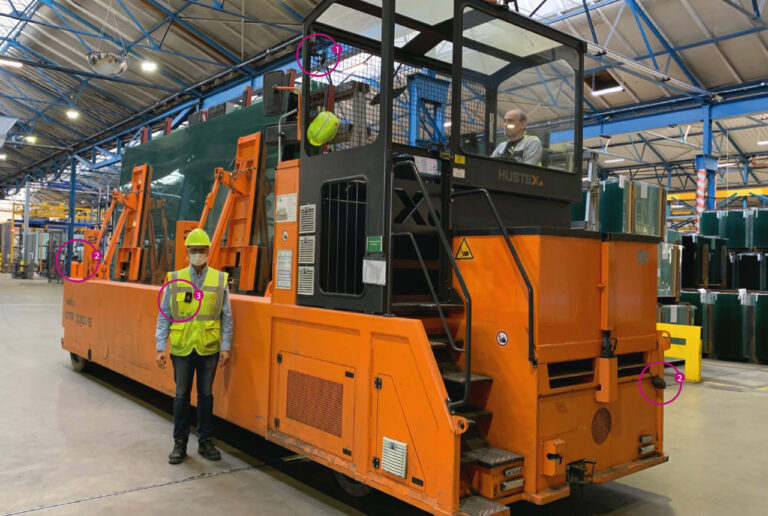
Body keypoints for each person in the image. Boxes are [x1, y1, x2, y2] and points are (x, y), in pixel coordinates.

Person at [155, 228, 233, 465]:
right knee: (180, 396)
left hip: (208, 348)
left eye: (202, 250)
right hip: (181, 349)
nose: (198, 254)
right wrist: (160, 345)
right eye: (194, 250)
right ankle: (179, 444)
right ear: (187, 252)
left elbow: (226, 316)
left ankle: (205, 442)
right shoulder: (175, 279)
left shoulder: (219, 280)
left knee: (206, 396)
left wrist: (226, 346)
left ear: (208, 251)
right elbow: (165, 314)